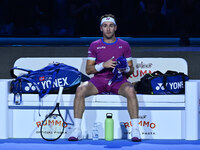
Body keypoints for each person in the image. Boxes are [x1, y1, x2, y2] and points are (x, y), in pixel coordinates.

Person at [68, 14, 141, 142]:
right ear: (101, 28)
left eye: (111, 26)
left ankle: (135, 130)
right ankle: (77, 130)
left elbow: (131, 69)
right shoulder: (94, 45)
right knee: (80, 90)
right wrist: (103, 65)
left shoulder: (124, 45)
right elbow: (88, 70)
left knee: (130, 90)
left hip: (119, 81)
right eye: (105, 26)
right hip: (99, 81)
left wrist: (126, 69)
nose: (108, 29)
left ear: (115, 28)